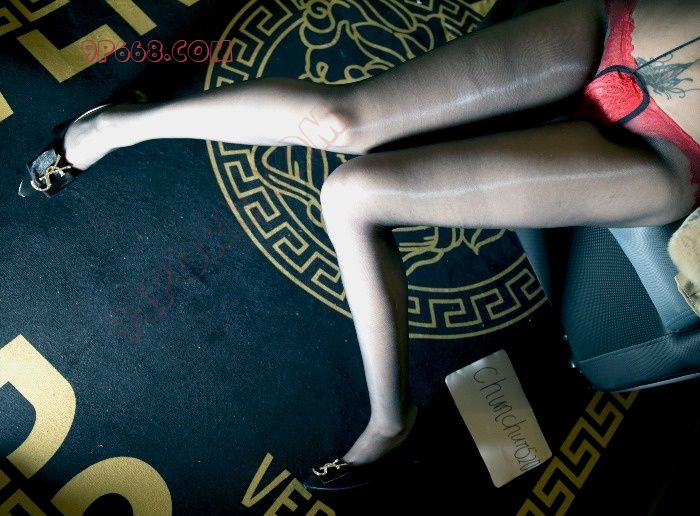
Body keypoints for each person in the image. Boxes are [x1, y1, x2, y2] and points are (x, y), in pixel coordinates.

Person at [20, 0, 700, 491]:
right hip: (620, 26)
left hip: (666, 158)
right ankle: (110, 128)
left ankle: (390, 420)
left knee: (352, 195)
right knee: (338, 118)